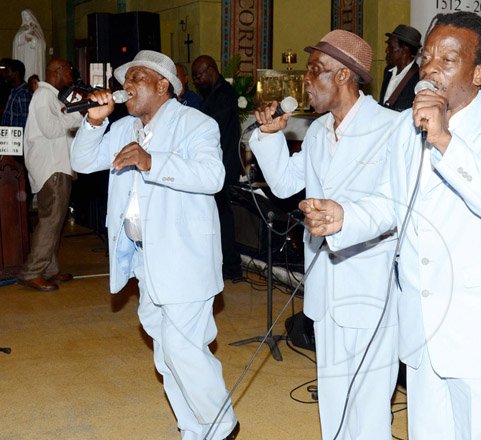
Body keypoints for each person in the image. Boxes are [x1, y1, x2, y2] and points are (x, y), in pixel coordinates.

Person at [300, 12, 481, 440]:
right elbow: (392, 203)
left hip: (480, 331)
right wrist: (346, 216)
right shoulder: (404, 130)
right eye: (427, 56)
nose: (429, 68)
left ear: (480, 72)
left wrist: (446, 141)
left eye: (446, 60)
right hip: (420, 329)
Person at [70, 50, 239, 440]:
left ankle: (222, 427)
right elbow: (82, 161)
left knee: (184, 350)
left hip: (184, 258)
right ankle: (193, 429)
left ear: (164, 85)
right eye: (125, 79)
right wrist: (95, 124)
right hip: (144, 259)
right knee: (167, 355)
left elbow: (214, 175)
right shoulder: (124, 126)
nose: (127, 86)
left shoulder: (196, 124)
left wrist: (152, 162)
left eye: (137, 78)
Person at [249, 30, 401, 439]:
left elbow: (399, 206)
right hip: (324, 286)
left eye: (315, 70)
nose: (307, 80)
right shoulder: (317, 132)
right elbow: (283, 185)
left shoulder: (392, 128)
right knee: (333, 395)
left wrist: (344, 218)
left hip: (370, 284)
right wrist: (268, 137)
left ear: (345, 77)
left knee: (368, 402)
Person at [18, 59, 82, 292]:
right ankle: (32, 271)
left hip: (57, 166)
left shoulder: (51, 97)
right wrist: (76, 114)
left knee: (55, 221)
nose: (71, 73)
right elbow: (52, 129)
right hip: (51, 168)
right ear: (56, 71)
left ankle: (49, 269)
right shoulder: (43, 96)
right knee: (50, 221)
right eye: (67, 70)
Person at [192, 55, 243, 281]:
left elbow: (213, 130)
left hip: (222, 166)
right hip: (215, 165)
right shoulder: (214, 93)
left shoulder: (224, 95)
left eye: (199, 76)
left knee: (222, 217)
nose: (197, 81)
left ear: (211, 70)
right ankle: (224, 264)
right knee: (217, 216)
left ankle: (231, 266)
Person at [379, 24, 422, 111]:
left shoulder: (419, 79)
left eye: (391, 47)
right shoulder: (388, 71)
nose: (386, 50)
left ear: (405, 50)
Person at [1, 59, 32, 128]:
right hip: (9, 136)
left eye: (7, 71)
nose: (5, 74)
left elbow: (26, 121)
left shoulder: (24, 93)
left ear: (16, 73)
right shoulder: (13, 90)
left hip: (18, 137)